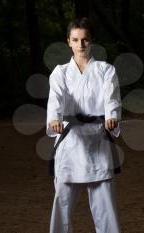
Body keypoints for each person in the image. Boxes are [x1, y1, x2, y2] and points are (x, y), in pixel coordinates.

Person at [46, 17, 122, 233]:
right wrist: (54, 119)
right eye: (76, 39)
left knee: (105, 204)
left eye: (85, 39)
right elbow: (56, 99)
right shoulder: (60, 72)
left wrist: (112, 116)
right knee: (62, 203)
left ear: (92, 41)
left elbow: (112, 98)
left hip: (98, 139)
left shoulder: (106, 70)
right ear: (68, 42)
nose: (80, 44)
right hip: (69, 140)